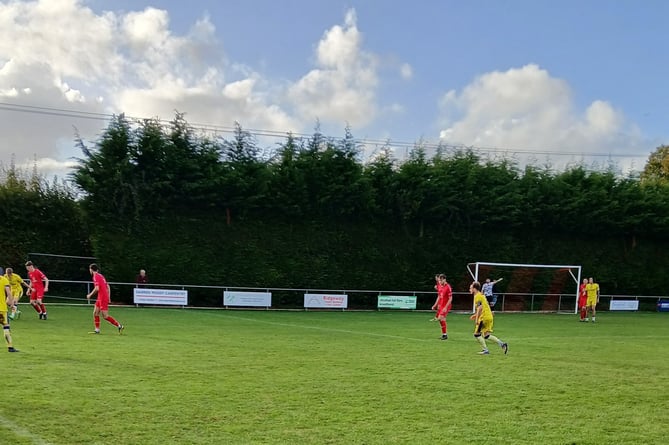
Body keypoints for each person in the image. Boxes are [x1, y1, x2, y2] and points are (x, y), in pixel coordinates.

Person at [469, 281, 508, 355]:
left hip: (484, 317)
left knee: (476, 334)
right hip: (489, 316)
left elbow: (480, 308)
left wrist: (477, 319)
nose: (469, 289)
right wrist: (475, 315)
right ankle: (502, 344)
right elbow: (484, 307)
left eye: (470, 288)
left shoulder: (477, 296)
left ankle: (485, 350)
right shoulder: (482, 295)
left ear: (474, 289)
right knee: (486, 335)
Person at [86, 263, 124, 334]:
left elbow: (97, 288)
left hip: (102, 297)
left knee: (105, 316)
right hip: (100, 297)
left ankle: (119, 326)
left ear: (91, 270)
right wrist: (109, 296)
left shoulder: (95, 276)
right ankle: (97, 330)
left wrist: (90, 295)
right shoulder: (101, 275)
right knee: (95, 313)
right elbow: (108, 286)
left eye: (89, 269)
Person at [0, 267, 19, 352]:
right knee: (6, 327)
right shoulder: (4, 280)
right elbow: (8, 293)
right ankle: (10, 347)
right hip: (2, 309)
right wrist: (12, 304)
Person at [431, 274, 452, 340]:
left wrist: (446, 307)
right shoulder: (440, 286)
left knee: (440, 318)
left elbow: (450, 298)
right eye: (439, 280)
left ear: (444, 279)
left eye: (441, 280)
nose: (439, 281)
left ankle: (445, 335)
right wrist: (435, 304)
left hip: (446, 305)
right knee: (441, 319)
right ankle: (444, 335)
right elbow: (439, 296)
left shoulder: (448, 287)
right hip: (441, 305)